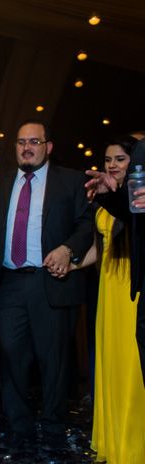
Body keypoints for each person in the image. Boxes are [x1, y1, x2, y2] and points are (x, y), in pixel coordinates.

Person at [0, 120, 93, 451]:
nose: (27, 147)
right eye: (21, 142)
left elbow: (87, 226)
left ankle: (53, 429)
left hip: (50, 282)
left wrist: (68, 249)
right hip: (10, 283)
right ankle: (19, 427)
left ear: (48, 146)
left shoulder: (70, 181)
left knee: (53, 360)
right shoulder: (1, 183)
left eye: (35, 141)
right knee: (11, 356)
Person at [71, 138, 145, 463]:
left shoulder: (137, 199)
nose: (113, 164)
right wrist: (71, 264)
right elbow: (100, 249)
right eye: (107, 159)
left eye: (120, 158)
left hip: (131, 286)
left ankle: (132, 446)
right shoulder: (104, 200)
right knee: (110, 364)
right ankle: (112, 439)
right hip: (107, 288)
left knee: (132, 370)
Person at [86, 133, 145, 384]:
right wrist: (108, 195)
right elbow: (136, 212)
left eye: (120, 158)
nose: (113, 164)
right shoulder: (143, 150)